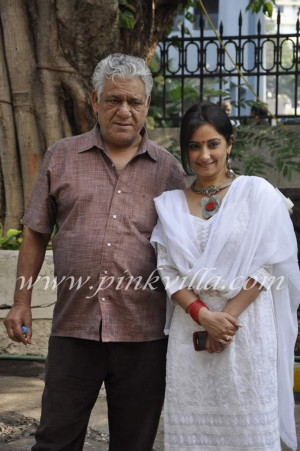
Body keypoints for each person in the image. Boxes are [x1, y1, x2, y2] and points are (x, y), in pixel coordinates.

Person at [3, 53, 186, 451]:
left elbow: (186, 250)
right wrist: (21, 302)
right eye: (113, 100)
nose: (124, 111)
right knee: (55, 438)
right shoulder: (62, 156)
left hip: (143, 333)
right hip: (74, 328)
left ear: (147, 105)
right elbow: (35, 231)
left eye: (134, 102)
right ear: (94, 100)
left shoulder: (168, 169)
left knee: (134, 442)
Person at [150, 101, 300, 450]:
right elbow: (168, 271)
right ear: (185, 150)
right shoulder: (170, 204)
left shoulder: (257, 193)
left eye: (213, 143)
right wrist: (203, 316)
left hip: (245, 330)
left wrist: (225, 320)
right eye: (194, 146)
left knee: (247, 432)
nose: (204, 155)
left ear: (229, 143)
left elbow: (268, 264)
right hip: (192, 334)